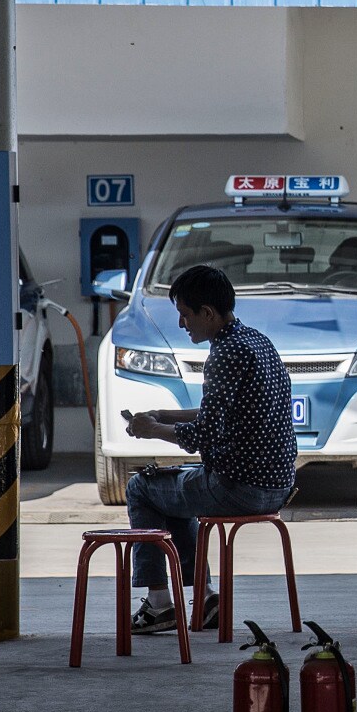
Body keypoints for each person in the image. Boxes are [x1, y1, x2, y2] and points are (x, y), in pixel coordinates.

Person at [122, 263, 297, 634]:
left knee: (142, 488)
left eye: (186, 316)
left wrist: (152, 429)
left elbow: (203, 435)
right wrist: (162, 413)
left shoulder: (225, 355)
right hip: (277, 486)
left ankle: (159, 605)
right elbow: (223, 414)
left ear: (208, 313)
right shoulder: (257, 342)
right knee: (175, 488)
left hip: (240, 489)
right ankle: (203, 598)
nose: (183, 325)